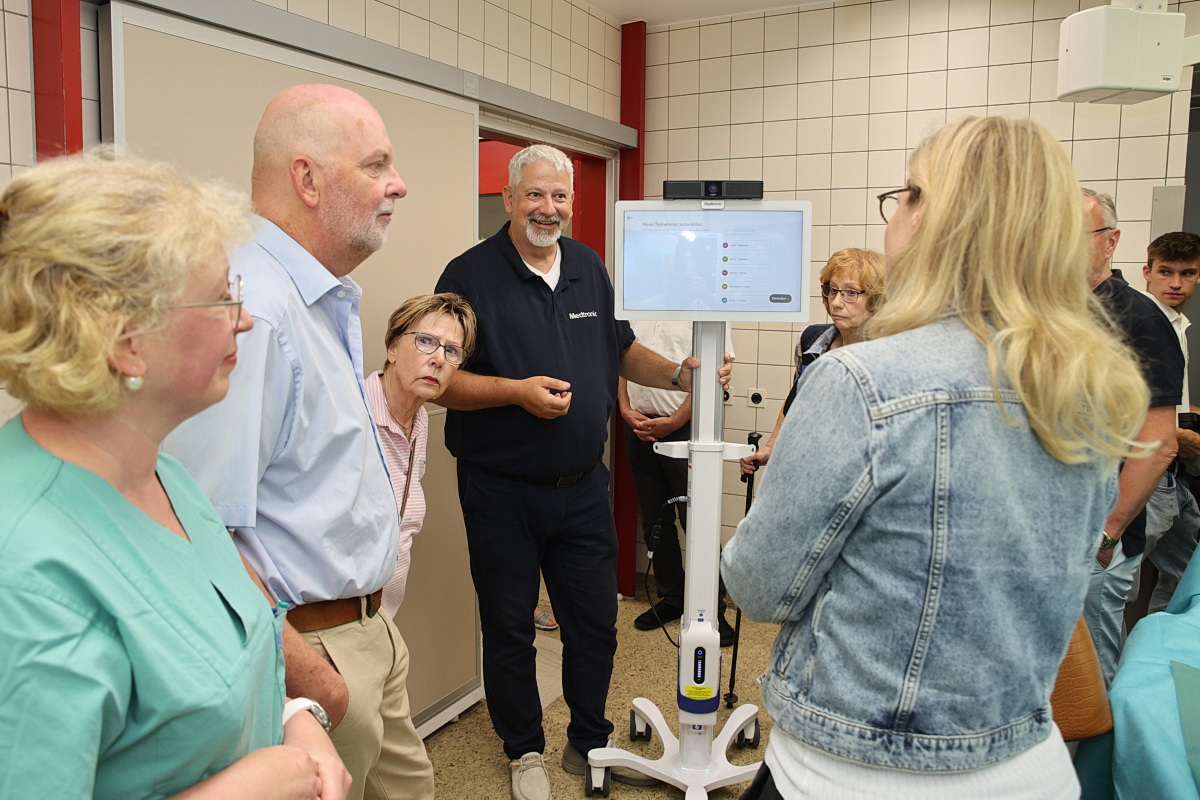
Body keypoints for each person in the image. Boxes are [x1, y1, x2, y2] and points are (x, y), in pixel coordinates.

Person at [722, 116, 1150, 799]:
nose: (894, 213)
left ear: (931, 218)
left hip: (857, 765)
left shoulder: (862, 382)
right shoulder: (1092, 386)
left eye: (905, 194)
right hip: (1024, 760)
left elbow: (759, 587)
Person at [0, 153, 349, 798]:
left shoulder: (166, 478)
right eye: (220, 296)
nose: (244, 317)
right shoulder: (24, 573)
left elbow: (214, 662)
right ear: (126, 341)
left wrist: (293, 718)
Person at [434, 143, 730, 800]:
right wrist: (515, 393)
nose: (548, 208)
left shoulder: (588, 267)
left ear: (571, 203)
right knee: (510, 627)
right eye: (535, 194)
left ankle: (589, 738)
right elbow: (441, 380)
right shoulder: (468, 275)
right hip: (500, 491)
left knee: (595, 624)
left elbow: (620, 350)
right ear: (509, 200)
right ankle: (524, 750)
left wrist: (680, 374)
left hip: (583, 488)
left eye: (560, 196)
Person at [163, 84, 434, 800]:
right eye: (376, 165)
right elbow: (191, 527)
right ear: (307, 180)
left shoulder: (318, 294)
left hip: (368, 633)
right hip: (312, 650)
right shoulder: (256, 308)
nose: (398, 184)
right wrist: (312, 680)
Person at [1083, 189, 1183, 686]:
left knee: (1093, 680)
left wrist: (1109, 531)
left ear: (1110, 241)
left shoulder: (1138, 320)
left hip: (1097, 536)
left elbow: (1159, 443)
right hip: (1047, 528)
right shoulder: (1052, 314)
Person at [618, 321, 735, 644]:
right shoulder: (636, 308)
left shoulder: (705, 311)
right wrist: (625, 409)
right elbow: (623, 362)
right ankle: (672, 597)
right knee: (655, 520)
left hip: (687, 428)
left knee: (697, 521)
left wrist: (674, 422)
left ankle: (713, 610)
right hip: (638, 426)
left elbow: (712, 375)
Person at [369, 293, 476, 617]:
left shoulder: (418, 421)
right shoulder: (350, 416)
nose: (439, 359)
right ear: (392, 348)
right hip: (331, 623)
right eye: (426, 341)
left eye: (452, 350)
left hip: (381, 618)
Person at [740, 248, 885, 475]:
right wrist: (771, 447)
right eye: (832, 290)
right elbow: (796, 398)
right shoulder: (812, 340)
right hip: (807, 468)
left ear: (876, 299)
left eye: (850, 293)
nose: (836, 302)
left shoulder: (888, 355)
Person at [1134, 231, 1200, 613]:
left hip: (1173, 472)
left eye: (1186, 273)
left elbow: (1166, 394)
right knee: (1114, 578)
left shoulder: (1177, 324)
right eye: (1165, 272)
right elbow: (1119, 404)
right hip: (1146, 468)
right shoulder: (1141, 323)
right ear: (1148, 272)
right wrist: (1174, 434)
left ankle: (1162, 640)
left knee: (1186, 576)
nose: (1175, 283)